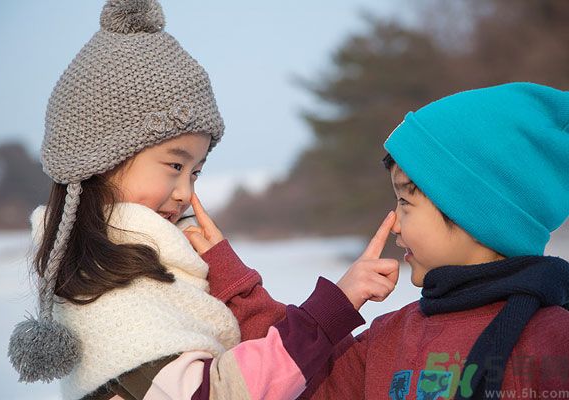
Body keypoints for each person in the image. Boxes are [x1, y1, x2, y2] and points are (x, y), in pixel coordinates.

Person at [7, 1, 402, 399]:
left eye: (196, 171)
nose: (186, 193)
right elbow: (224, 391)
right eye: (175, 165)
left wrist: (229, 278)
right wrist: (333, 307)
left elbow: (289, 374)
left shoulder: (149, 265)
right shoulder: (111, 295)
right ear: (101, 159)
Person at [190, 82, 569, 398]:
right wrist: (233, 277)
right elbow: (301, 379)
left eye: (406, 201)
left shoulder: (553, 340)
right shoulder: (388, 339)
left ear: (475, 210)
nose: (396, 226)